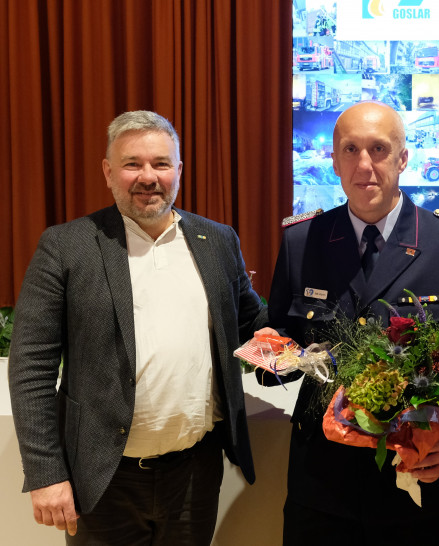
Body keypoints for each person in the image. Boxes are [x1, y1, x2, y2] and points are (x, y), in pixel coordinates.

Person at [8, 110, 267, 544]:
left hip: (194, 473)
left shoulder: (217, 240)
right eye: (133, 164)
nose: (148, 177)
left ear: (179, 171)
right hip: (103, 477)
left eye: (161, 164)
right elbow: (30, 367)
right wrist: (46, 473)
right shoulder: (66, 246)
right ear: (108, 172)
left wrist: (302, 341)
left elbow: (251, 327)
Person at [262, 101, 439, 545]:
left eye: (378, 148)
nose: (364, 165)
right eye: (350, 149)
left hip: (417, 481)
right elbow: (283, 339)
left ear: (403, 158)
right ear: (333, 160)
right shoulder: (302, 242)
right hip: (322, 485)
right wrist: (265, 355)